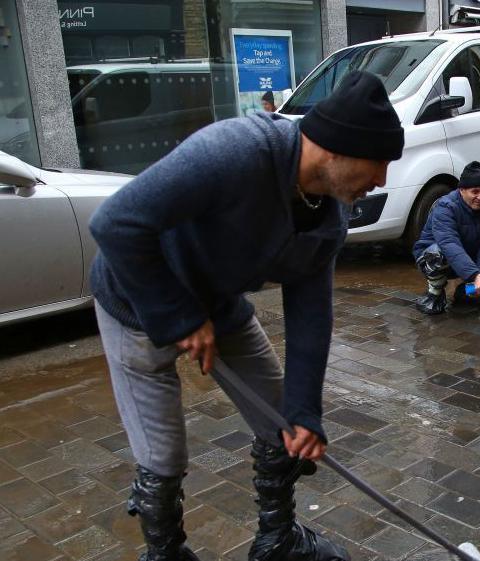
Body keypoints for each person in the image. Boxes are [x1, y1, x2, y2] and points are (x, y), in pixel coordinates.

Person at [88, 70, 403, 561]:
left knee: (282, 424)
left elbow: (311, 313)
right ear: (336, 150)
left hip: (217, 303)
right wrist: (178, 317)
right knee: (164, 453)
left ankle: (277, 540)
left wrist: (305, 413)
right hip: (137, 297)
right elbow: (116, 224)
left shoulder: (328, 215)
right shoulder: (237, 152)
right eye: (378, 163)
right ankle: (166, 553)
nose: (382, 179)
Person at [412, 161, 480, 315]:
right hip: (434, 258)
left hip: (464, 260)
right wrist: (476, 275)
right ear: (462, 190)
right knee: (439, 252)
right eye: (475, 191)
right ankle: (434, 293)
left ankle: (466, 291)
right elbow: (450, 244)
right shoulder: (445, 208)